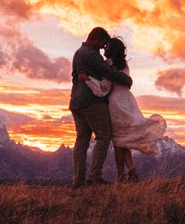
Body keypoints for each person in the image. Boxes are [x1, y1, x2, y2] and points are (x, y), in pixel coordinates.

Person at [69, 27, 133, 187]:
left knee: (82, 140)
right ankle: (94, 176)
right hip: (92, 101)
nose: (104, 48)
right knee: (104, 136)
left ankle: (78, 180)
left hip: (76, 101)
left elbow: (74, 77)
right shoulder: (92, 55)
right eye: (103, 44)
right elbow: (109, 73)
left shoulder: (78, 53)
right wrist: (127, 81)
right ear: (96, 39)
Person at [103, 37, 166, 182]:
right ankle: (131, 171)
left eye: (107, 47)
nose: (104, 49)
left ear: (111, 50)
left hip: (115, 103)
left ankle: (121, 175)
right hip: (128, 101)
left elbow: (105, 85)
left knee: (118, 141)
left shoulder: (108, 65)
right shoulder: (124, 65)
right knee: (124, 139)